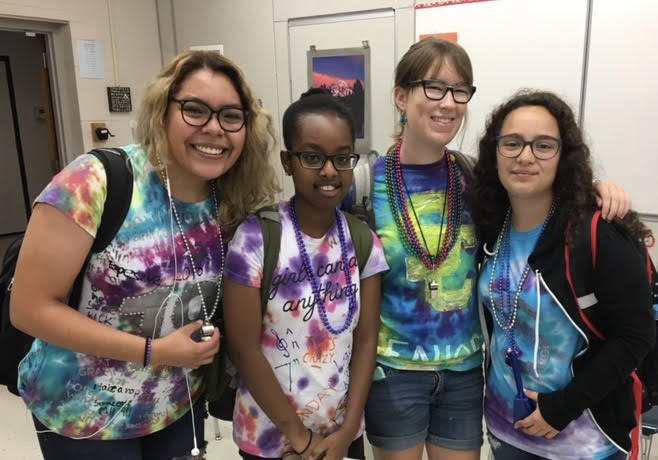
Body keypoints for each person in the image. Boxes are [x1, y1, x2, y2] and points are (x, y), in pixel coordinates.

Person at [362, 37, 632, 460]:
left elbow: (539, 189)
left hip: (466, 373)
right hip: (393, 373)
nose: (448, 102)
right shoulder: (363, 185)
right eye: (433, 87)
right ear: (400, 96)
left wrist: (596, 188)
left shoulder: (476, 181)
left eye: (460, 91)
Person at [9, 50, 279, 459]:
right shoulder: (96, 180)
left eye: (230, 116)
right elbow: (28, 309)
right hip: (83, 412)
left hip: (175, 407)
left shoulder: (231, 199)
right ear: (162, 111)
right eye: (194, 110)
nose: (214, 128)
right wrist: (154, 352)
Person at [470, 89, 654, 460]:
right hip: (508, 431)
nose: (525, 156)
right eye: (512, 144)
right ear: (495, 151)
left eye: (543, 146)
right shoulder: (490, 224)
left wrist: (562, 407)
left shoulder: (598, 232)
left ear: (562, 156)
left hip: (585, 441)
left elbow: (636, 336)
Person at [223, 89, 389, 460]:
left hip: (340, 435)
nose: (329, 171)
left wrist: (347, 432)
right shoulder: (256, 238)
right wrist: (301, 439)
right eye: (312, 157)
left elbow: (366, 341)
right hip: (271, 439)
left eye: (342, 157)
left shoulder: (362, 241)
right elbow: (244, 348)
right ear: (288, 161)